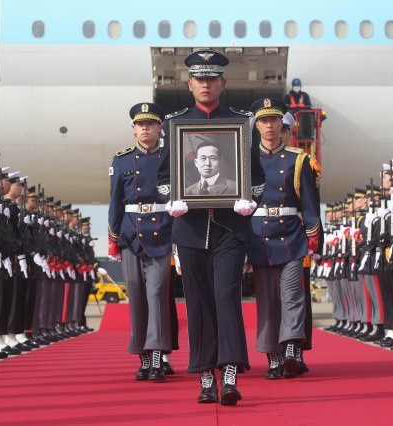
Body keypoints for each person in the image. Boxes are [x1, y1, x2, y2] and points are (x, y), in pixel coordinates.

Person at [156, 49, 265, 405]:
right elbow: (162, 177)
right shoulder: (174, 125)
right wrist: (172, 198)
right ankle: (205, 376)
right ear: (189, 84)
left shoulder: (242, 122)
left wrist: (250, 199)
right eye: (199, 79)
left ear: (223, 83)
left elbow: (258, 178)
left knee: (226, 298)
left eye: (211, 79)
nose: (205, 84)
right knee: (198, 303)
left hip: (230, 228)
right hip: (189, 229)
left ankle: (230, 372)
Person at [247, 98, 321, 380]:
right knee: (267, 301)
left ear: (282, 124)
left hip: (290, 236)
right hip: (259, 238)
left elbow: (310, 206)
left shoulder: (298, 159)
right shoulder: (247, 159)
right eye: (264, 121)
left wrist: (313, 240)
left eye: (274, 120)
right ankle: (273, 356)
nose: (269, 126)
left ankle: (291, 347)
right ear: (257, 125)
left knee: (292, 295)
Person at [108, 102, 173, 382]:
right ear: (133, 130)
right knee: (135, 295)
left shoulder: (171, 158)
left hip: (162, 231)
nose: (145, 128)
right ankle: (143, 358)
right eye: (140, 124)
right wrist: (113, 238)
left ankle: (158, 355)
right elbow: (115, 202)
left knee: (157, 294)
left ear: (160, 128)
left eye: (150, 124)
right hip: (130, 233)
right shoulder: (121, 160)